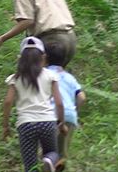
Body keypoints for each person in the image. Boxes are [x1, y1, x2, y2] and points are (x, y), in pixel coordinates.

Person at [2, 36, 68, 172]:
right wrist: (61, 123)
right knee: (53, 153)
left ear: (20, 58)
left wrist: (5, 126)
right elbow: (59, 103)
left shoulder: (16, 78)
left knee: (30, 165)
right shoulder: (51, 75)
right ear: (43, 57)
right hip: (48, 122)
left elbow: (8, 102)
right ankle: (48, 161)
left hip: (26, 124)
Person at [44, 42, 86, 171]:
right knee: (62, 153)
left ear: (45, 58)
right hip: (69, 116)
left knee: (47, 152)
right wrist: (74, 110)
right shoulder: (70, 78)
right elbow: (82, 97)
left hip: (50, 114)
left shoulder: (44, 74)